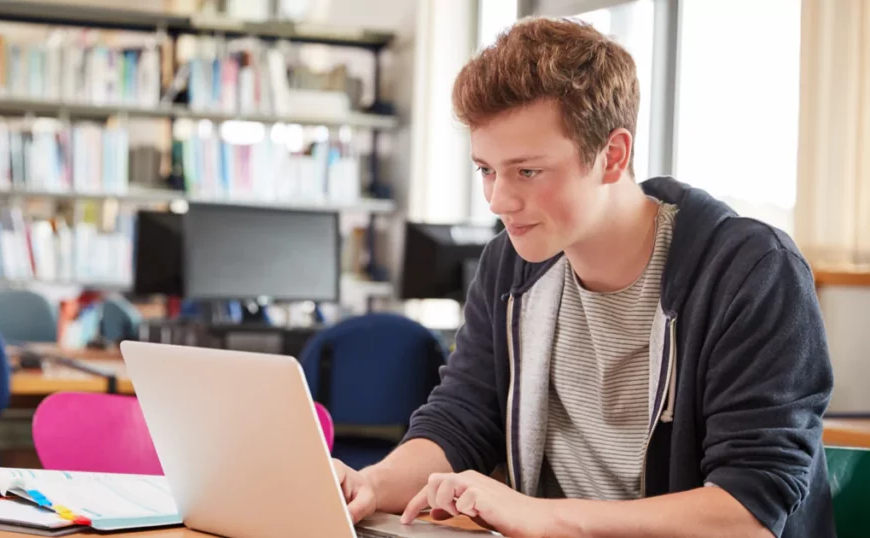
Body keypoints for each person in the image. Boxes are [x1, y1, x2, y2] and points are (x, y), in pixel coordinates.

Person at [332, 16, 834, 538]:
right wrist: (372, 482)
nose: (499, 200)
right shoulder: (509, 265)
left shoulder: (750, 272)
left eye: (527, 171)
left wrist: (543, 517)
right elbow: (460, 421)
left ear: (612, 156)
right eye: (486, 169)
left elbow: (746, 514)